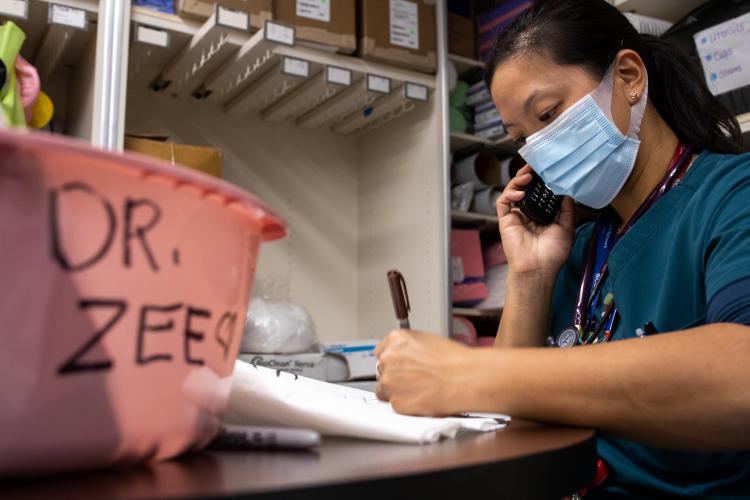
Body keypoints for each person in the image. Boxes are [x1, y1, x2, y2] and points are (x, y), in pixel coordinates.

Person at [374, 0, 750, 497]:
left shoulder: (730, 195)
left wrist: (462, 372)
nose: (540, 146)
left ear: (629, 75)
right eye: (522, 139)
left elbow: (740, 379)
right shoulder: (582, 247)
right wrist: (529, 276)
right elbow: (514, 415)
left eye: (548, 114)